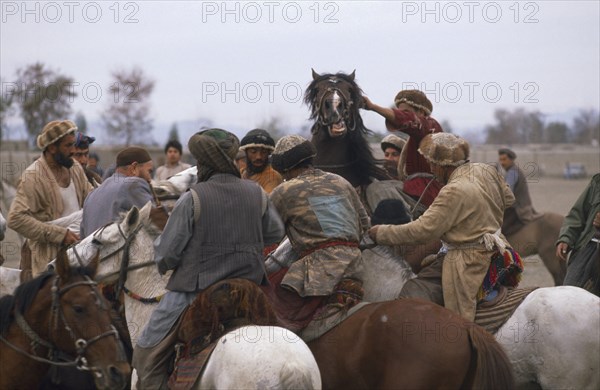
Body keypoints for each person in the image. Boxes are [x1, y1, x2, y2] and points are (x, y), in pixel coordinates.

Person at [132, 129, 285, 389]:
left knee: (146, 354)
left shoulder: (192, 198)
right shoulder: (257, 193)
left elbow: (167, 254)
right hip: (251, 289)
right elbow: (275, 232)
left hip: (196, 290)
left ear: (206, 163)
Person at [369, 133, 523, 322]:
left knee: (412, 294)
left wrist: (381, 233)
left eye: (433, 164)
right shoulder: (486, 170)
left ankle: (463, 341)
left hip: (466, 260)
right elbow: (509, 198)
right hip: (498, 250)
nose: (432, 170)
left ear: (443, 165)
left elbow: (423, 231)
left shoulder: (452, 190)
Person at [266, 135, 369, 331]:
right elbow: (365, 224)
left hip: (319, 271)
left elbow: (267, 235)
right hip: (356, 264)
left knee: (272, 310)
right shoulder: (341, 181)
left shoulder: (285, 190)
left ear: (285, 169)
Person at [7, 120, 92, 275]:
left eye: (74, 144)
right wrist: (60, 234)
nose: (73, 151)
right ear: (52, 147)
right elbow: (15, 219)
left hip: (79, 253)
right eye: (68, 146)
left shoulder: (74, 168)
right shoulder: (33, 177)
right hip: (49, 261)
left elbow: (92, 200)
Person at [363, 90, 443, 206]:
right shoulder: (417, 135)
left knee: (376, 189)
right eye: (400, 112)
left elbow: (408, 120)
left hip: (425, 191)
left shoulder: (429, 126)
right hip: (417, 189)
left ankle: (399, 220)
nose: (403, 115)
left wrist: (373, 107)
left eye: (406, 112)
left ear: (421, 111)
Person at [80, 146, 155, 238]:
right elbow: (157, 222)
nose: (149, 179)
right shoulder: (133, 185)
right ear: (134, 168)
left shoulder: (91, 195)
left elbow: (82, 238)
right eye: (149, 171)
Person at [556, 174, 600, 296]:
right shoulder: (597, 181)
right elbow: (577, 214)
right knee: (568, 295)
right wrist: (566, 237)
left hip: (523, 212)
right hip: (588, 247)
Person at [498, 148, 541, 236]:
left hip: (517, 209)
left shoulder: (512, 172)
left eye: (504, 159)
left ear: (511, 159)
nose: (502, 163)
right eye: (500, 160)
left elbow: (507, 193)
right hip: (524, 207)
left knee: (498, 231)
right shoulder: (513, 170)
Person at [239, 129, 283, 193]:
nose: (258, 157)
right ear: (246, 152)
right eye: (253, 151)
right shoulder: (240, 173)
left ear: (269, 153)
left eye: (264, 152)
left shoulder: (272, 177)